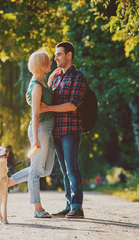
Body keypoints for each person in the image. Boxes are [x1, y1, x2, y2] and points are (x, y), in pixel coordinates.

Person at [40, 41, 87, 218]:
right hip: (57, 130)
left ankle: (77, 206)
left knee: (72, 168)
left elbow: (72, 105)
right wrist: (50, 80)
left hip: (71, 129)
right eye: (55, 54)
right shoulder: (57, 77)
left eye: (59, 54)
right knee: (64, 169)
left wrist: (48, 108)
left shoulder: (78, 77)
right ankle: (69, 205)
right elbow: (49, 98)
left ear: (69, 55)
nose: (55, 57)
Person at [8, 51, 56, 218]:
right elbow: (35, 114)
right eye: (49, 61)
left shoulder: (41, 82)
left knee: (46, 170)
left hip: (49, 130)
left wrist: (52, 76)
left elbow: (47, 91)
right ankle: (38, 209)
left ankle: (8, 182)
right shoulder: (36, 85)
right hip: (40, 129)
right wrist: (35, 139)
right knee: (36, 171)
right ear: (42, 65)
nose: (51, 62)